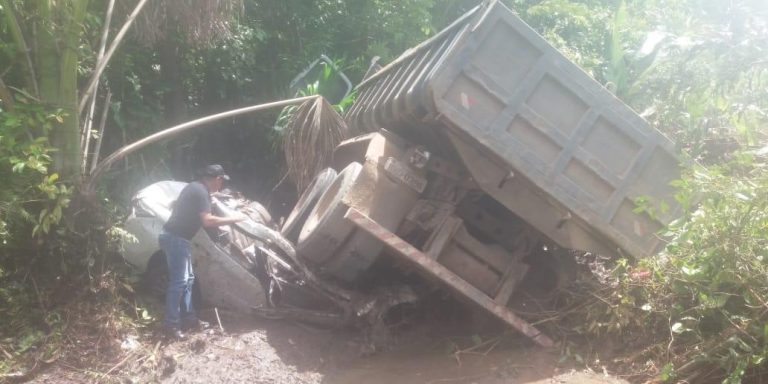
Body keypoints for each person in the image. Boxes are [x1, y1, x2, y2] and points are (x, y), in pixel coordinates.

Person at [158, 164, 244, 340]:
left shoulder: (194, 187)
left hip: (176, 238)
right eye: (221, 182)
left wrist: (214, 198)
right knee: (179, 282)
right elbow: (207, 221)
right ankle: (170, 324)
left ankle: (189, 319)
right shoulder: (201, 192)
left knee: (187, 280)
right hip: (176, 239)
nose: (220, 186)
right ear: (217, 179)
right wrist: (235, 218)